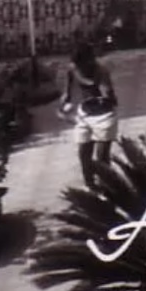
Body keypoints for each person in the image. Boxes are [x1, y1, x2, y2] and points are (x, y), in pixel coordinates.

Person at [59, 44, 118, 191]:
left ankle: (107, 188)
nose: (80, 67)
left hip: (105, 115)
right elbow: (67, 93)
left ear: (90, 60)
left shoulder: (101, 71)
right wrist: (64, 105)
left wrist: (104, 92)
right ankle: (90, 185)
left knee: (102, 157)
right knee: (83, 152)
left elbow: (108, 95)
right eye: (77, 64)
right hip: (84, 114)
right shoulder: (72, 69)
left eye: (83, 63)